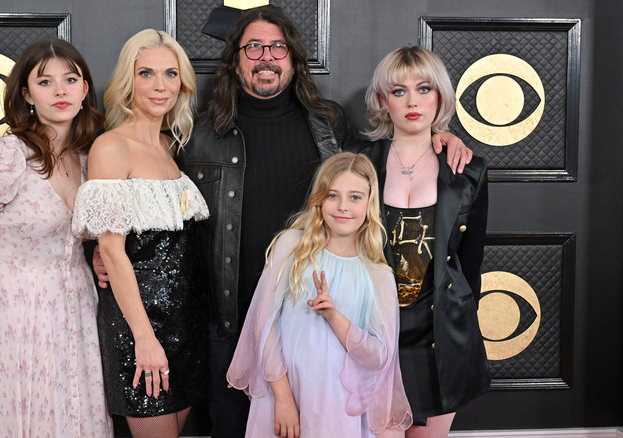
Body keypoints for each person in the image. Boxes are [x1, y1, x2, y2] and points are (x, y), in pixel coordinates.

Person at [172, 6, 472, 437]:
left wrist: (439, 136)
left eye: (278, 47)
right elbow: (165, 212)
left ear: (293, 59)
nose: (266, 57)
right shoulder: (199, 135)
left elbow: (375, 168)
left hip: (318, 315)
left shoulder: (327, 122)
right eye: (253, 47)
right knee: (238, 427)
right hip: (232, 316)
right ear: (236, 61)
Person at [0, 38, 112, 436]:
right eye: (45, 82)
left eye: (71, 80)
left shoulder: (90, 158)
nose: (60, 91)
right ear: (26, 94)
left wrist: (99, 256)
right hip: (14, 314)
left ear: (85, 89)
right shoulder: (3, 157)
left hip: (77, 309)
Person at [71, 29, 208, 438]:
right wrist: (144, 338)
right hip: (139, 325)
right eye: (146, 73)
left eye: (170, 73)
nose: (160, 85)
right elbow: (112, 252)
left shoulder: (172, 146)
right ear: (129, 82)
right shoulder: (111, 147)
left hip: (186, 322)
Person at [226, 152, 412, 438]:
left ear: (369, 203)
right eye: (333, 195)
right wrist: (283, 398)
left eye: (355, 197)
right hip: (285, 398)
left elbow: (379, 358)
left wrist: (335, 317)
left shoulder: (378, 275)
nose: (342, 207)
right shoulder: (292, 246)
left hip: (338, 411)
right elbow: (263, 327)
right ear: (319, 198)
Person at [357, 46, 490, 437]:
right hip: (377, 332)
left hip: (441, 336)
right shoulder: (358, 161)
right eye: (399, 91)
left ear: (440, 97)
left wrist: (462, 325)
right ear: (383, 101)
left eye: (424, 89)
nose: (412, 101)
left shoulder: (469, 169)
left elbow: (471, 261)